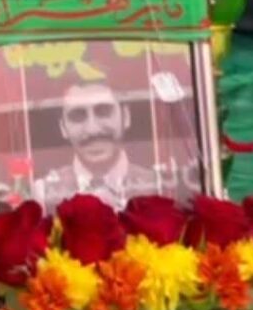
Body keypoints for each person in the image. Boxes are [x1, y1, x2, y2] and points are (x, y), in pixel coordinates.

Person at [32, 82, 159, 212]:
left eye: (103, 112)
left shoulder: (158, 186)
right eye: (78, 116)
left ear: (125, 116)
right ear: (63, 127)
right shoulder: (43, 195)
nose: (92, 129)